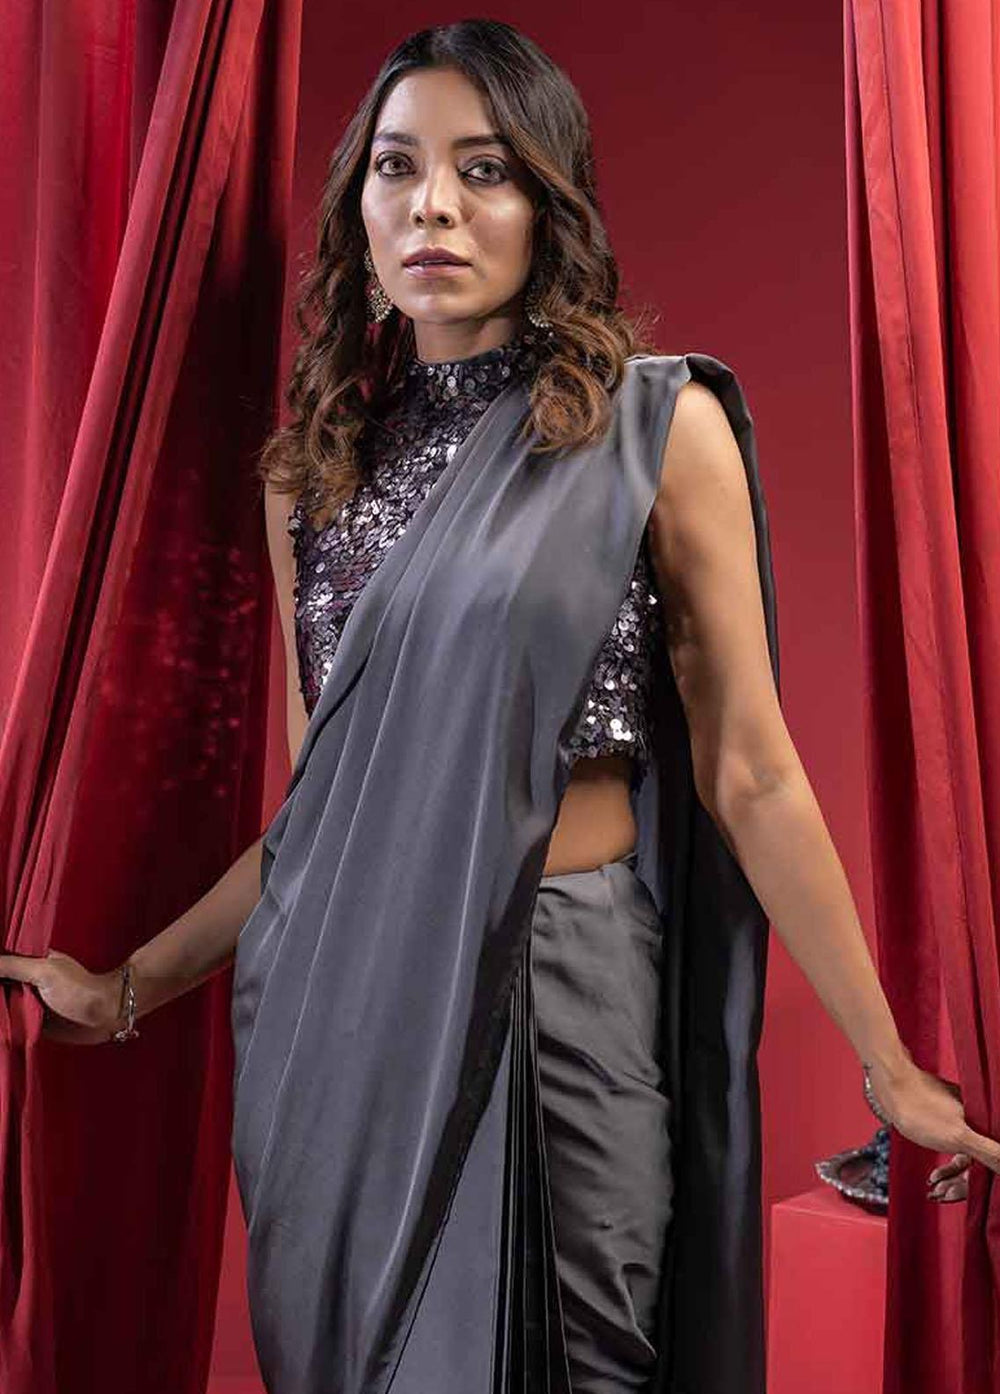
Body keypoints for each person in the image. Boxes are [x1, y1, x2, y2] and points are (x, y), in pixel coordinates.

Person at [1, 18, 994, 1394]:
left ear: (549, 205)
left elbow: (750, 769)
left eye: (485, 170)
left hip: (562, 983)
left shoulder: (652, 428)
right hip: (338, 1027)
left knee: (586, 1356)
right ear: (357, 212)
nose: (435, 206)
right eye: (397, 168)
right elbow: (318, 823)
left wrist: (885, 1060)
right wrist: (127, 989)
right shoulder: (312, 478)